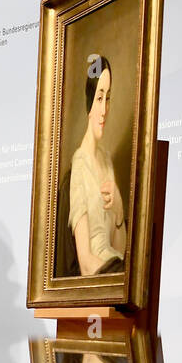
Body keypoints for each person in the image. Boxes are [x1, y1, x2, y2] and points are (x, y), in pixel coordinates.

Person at [68, 55, 126, 277]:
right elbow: (85, 263)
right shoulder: (80, 166)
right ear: (89, 100)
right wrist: (119, 277)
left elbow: (119, 250)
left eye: (108, 98)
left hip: (117, 268)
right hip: (103, 278)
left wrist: (119, 209)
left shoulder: (106, 160)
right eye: (99, 97)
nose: (104, 110)